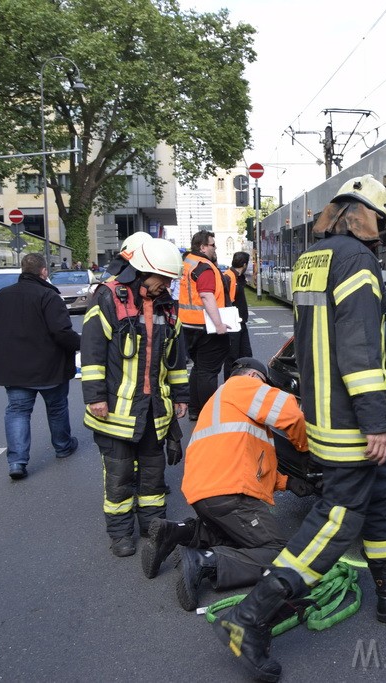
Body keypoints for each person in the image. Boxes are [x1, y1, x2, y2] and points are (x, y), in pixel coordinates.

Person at [210, 175, 386, 682]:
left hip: (324, 410)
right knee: (336, 521)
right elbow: (358, 349)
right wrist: (376, 421)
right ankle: (251, 617)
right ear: (361, 214)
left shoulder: (316, 257)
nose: (382, 226)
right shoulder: (359, 262)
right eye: (379, 215)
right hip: (351, 421)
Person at [139, 358, 312, 610]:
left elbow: (247, 461)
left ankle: (175, 532)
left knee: (234, 538)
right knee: (276, 552)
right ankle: (205, 561)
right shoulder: (244, 386)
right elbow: (292, 415)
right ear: (254, 376)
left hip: (206, 493)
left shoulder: (220, 402)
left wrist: (287, 483)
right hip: (230, 493)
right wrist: (307, 451)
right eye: (266, 383)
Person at [81, 238, 190, 557]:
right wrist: (95, 397)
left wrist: (181, 395)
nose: (167, 286)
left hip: (154, 412)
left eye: (170, 280)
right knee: (119, 478)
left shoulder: (167, 306)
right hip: (114, 411)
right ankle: (120, 534)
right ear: (143, 271)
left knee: (154, 479)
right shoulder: (108, 297)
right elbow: (92, 352)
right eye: (163, 279)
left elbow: (176, 356)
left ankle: (153, 527)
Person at [0, 253, 81, 480]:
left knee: (17, 412)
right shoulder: (48, 296)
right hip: (49, 366)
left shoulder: (2, 295)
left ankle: (17, 462)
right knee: (56, 408)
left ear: (22, 270)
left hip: (13, 367)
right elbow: (61, 332)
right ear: (44, 271)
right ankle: (63, 446)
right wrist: (83, 344)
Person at [179, 230, 232, 421]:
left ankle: (195, 408)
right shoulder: (204, 267)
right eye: (212, 245)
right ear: (202, 246)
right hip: (206, 326)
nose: (215, 247)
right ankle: (209, 414)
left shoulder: (187, 263)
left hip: (189, 324)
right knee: (208, 372)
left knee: (199, 368)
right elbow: (206, 295)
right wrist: (219, 324)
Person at [221, 251, 253, 380]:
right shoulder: (229, 277)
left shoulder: (238, 277)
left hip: (240, 322)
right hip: (233, 322)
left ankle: (243, 381)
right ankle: (229, 383)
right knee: (232, 356)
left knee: (246, 354)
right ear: (244, 264)